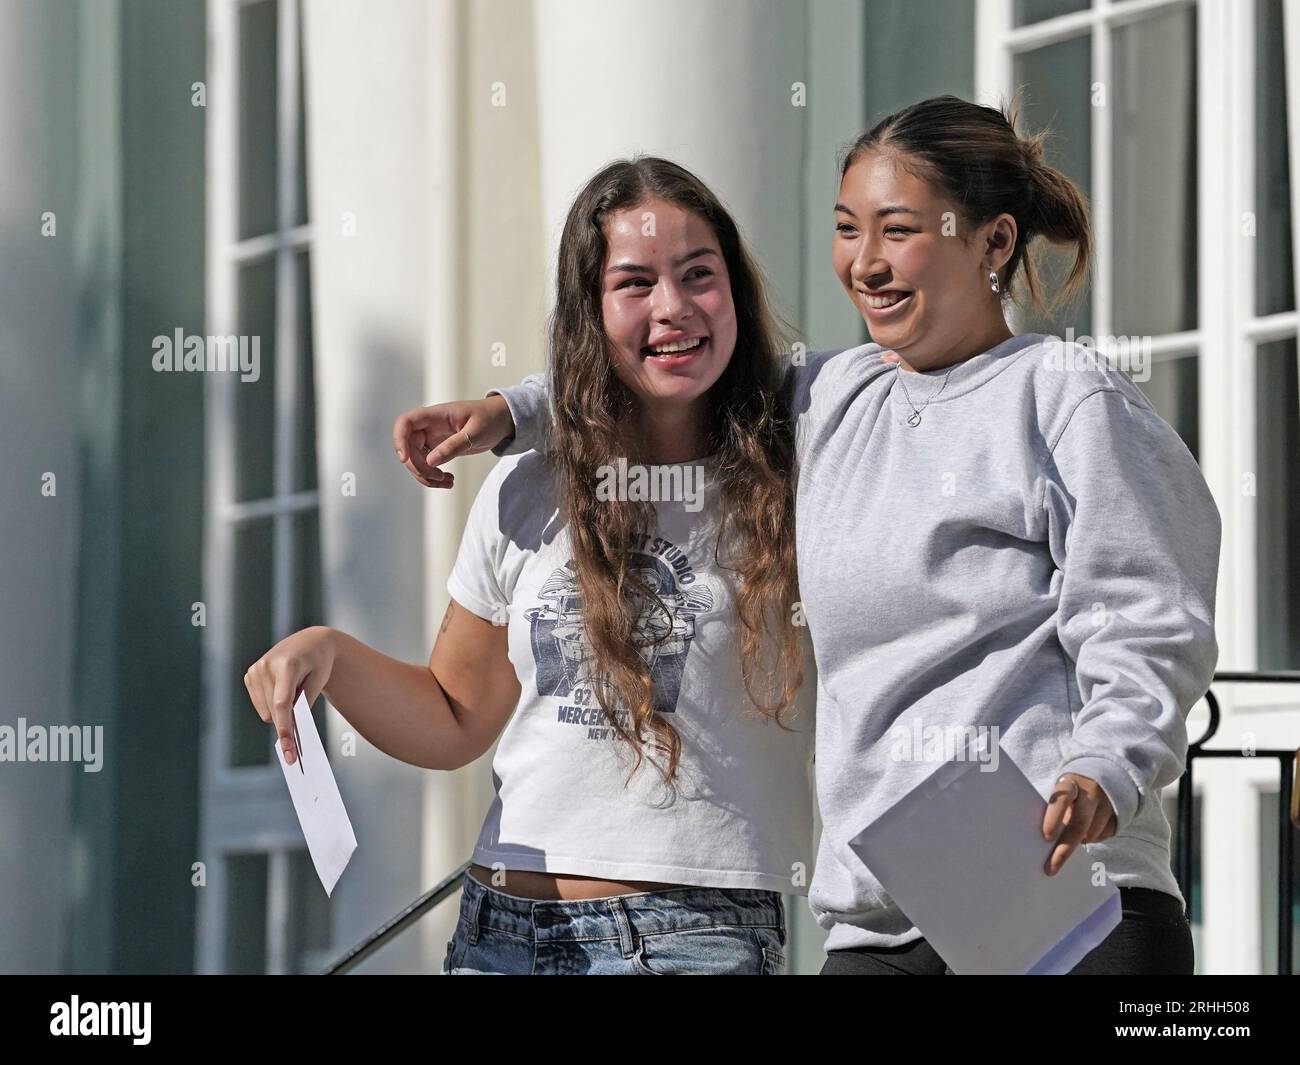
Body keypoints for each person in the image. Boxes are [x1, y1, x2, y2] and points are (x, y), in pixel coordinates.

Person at [397, 96, 1221, 975]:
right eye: (846, 229)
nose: (864, 262)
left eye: (896, 230)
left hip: (1067, 896)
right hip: (883, 920)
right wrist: (510, 411)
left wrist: (1109, 761)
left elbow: (1146, 613)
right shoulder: (828, 400)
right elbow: (667, 356)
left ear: (992, 242)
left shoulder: (1063, 395)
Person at [250, 156, 818, 975]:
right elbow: (454, 715)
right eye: (634, 283)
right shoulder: (528, 487)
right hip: (499, 929)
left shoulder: (796, 467)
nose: (674, 307)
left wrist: (517, 404)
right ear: (590, 308)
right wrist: (328, 655)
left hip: (692, 936)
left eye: (700, 274)